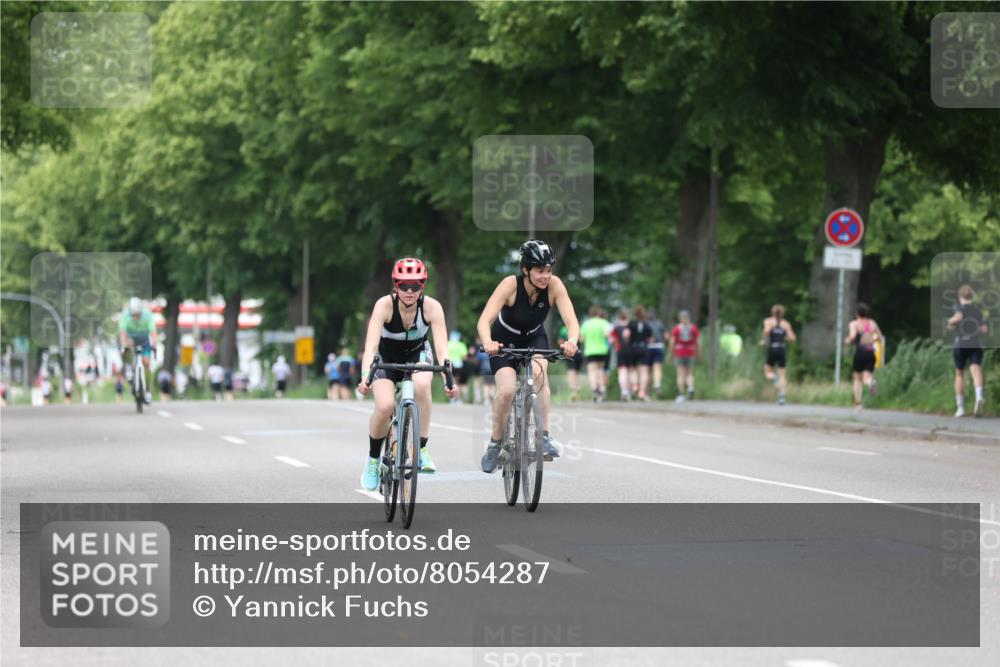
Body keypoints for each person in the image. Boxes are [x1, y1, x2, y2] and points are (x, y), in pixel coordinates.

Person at [477, 240, 579, 472]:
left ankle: (543, 436)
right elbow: (484, 320)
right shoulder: (510, 285)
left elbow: (571, 321)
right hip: (504, 341)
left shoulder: (554, 286)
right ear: (526, 270)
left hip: (534, 337)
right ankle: (494, 443)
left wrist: (572, 341)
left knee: (539, 375)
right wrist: (488, 343)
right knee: (507, 391)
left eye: (549, 270)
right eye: (540, 271)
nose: (545, 276)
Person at [357, 258, 458, 492]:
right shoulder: (384, 305)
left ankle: (420, 448)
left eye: (415, 286)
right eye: (404, 286)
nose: (409, 291)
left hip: (417, 354)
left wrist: (448, 380)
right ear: (395, 285)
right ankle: (373, 460)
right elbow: (371, 346)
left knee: (422, 386)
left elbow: (442, 349)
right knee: (384, 407)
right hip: (386, 355)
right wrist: (365, 376)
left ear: (423, 286)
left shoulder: (432, 307)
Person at [948, 284, 988, 418]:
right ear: (972, 296)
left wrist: (951, 321)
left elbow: (955, 319)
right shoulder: (978, 310)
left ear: (960, 297)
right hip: (975, 344)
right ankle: (979, 397)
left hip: (961, 344)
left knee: (959, 374)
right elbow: (984, 330)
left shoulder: (958, 308)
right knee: (976, 370)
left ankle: (960, 408)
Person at [117, 297, 158, 404]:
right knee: (127, 346)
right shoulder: (126, 315)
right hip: (131, 339)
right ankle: (130, 368)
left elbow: (153, 332)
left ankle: (148, 391)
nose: (135, 317)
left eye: (138, 315)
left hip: (144, 340)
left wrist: (154, 344)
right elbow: (122, 333)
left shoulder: (147, 315)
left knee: (146, 363)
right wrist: (123, 345)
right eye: (133, 315)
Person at [843, 303, 882, 411]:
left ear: (856, 314)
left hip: (860, 353)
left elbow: (852, 336)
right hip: (870, 353)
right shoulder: (872, 323)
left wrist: (847, 341)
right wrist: (871, 340)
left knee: (857, 379)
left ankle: (858, 405)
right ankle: (871, 383)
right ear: (866, 313)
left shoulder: (854, 324)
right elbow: (879, 337)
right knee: (867, 377)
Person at [761, 304, 796, 406]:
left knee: (767, 371)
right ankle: (782, 397)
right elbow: (792, 338)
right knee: (783, 375)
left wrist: (764, 340)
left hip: (773, 348)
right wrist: (784, 337)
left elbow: (767, 332)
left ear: (773, 312)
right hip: (782, 349)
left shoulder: (768, 321)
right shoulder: (786, 324)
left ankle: (774, 378)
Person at [579, 305, 612, 402]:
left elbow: (581, 339)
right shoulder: (603, 322)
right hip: (602, 350)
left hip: (590, 351)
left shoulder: (586, 324)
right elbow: (607, 335)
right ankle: (602, 388)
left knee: (592, 371)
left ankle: (594, 390)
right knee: (601, 370)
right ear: (598, 313)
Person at [668, 310, 700, 402]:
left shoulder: (677, 329)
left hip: (680, 352)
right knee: (690, 373)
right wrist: (698, 353)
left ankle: (681, 394)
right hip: (690, 352)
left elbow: (672, 343)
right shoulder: (693, 328)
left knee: (680, 374)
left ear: (680, 318)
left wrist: (671, 354)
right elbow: (698, 342)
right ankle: (690, 388)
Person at [628, 305, 654, 401]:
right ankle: (642, 392)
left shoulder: (631, 323)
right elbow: (651, 339)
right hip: (644, 349)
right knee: (644, 371)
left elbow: (626, 335)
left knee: (633, 369)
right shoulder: (647, 324)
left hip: (633, 348)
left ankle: (634, 385)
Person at [611, 308, 633, 401]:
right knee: (631, 372)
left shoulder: (616, 327)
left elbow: (612, 340)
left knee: (622, 372)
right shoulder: (632, 326)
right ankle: (630, 391)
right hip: (631, 351)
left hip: (620, 351)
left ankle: (624, 391)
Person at [558, 323, 583, 401]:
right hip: (578, 351)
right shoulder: (578, 328)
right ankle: (577, 389)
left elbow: (560, 341)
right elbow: (582, 339)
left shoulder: (563, 329)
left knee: (571, 371)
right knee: (578, 372)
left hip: (569, 352)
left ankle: (573, 390)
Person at [645, 308, 667, 395]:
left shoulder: (644, 324)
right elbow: (666, 336)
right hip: (658, 346)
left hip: (647, 348)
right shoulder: (659, 323)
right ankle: (657, 384)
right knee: (657, 367)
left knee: (648, 371)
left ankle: (648, 392)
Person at [447, 331, 468, 404]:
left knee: (451, 382)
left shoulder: (448, 344)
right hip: (459, 365)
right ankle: (457, 399)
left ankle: (452, 399)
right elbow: (464, 357)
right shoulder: (461, 345)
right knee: (457, 383)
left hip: (450, 365)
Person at [475, 337, 495, 404]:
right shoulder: (493, 349)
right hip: (492, 368)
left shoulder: (482, 349)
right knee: (492, 384)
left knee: (486, 384)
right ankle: (492, 396)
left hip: (484, 368)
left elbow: (477, 360)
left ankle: (486, 399)